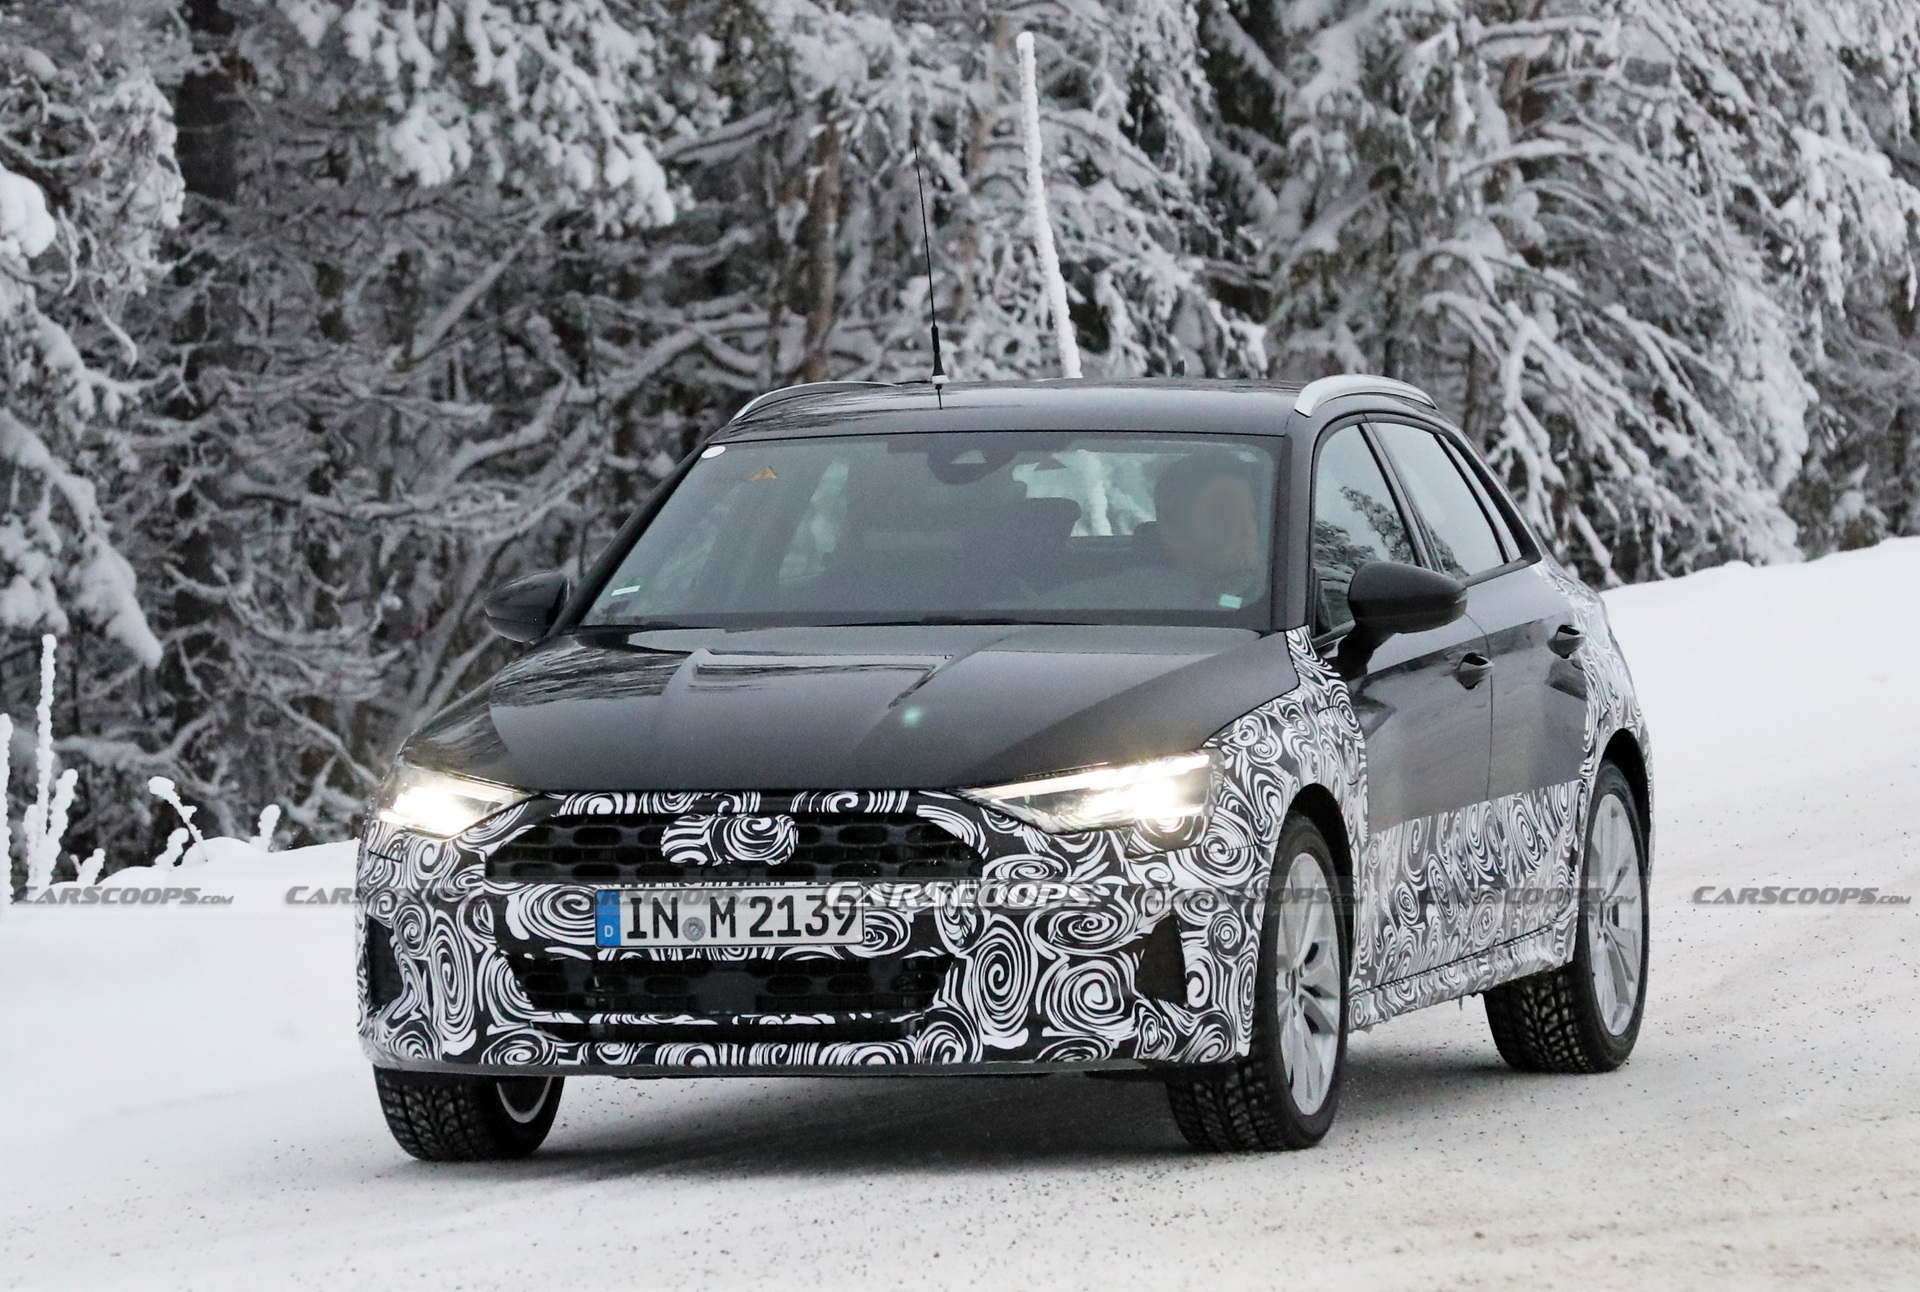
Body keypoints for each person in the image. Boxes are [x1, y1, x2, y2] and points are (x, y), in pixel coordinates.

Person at [1036, 448, 1268, 611]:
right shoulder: (1127, 598)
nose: (1247, 528)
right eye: (1221, 514)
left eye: (1250, 513)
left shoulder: (1285, 590)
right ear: (1172, 531)